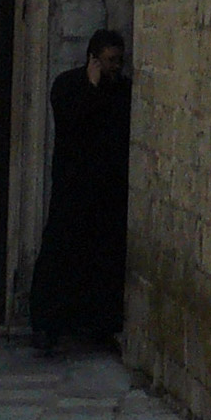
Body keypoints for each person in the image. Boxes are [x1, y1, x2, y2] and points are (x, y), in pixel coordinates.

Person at [29, 31, 130, 353]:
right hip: (73, 187)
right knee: (60, 251)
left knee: (104, 257)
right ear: (94, 59)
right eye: (110, 61)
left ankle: (99, 324)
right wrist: (91, 85)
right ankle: (47, 325)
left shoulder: (122, 92)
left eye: (119, 60)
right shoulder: (68, 86)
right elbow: (73, 121)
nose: (116, 67)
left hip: (107, 190)